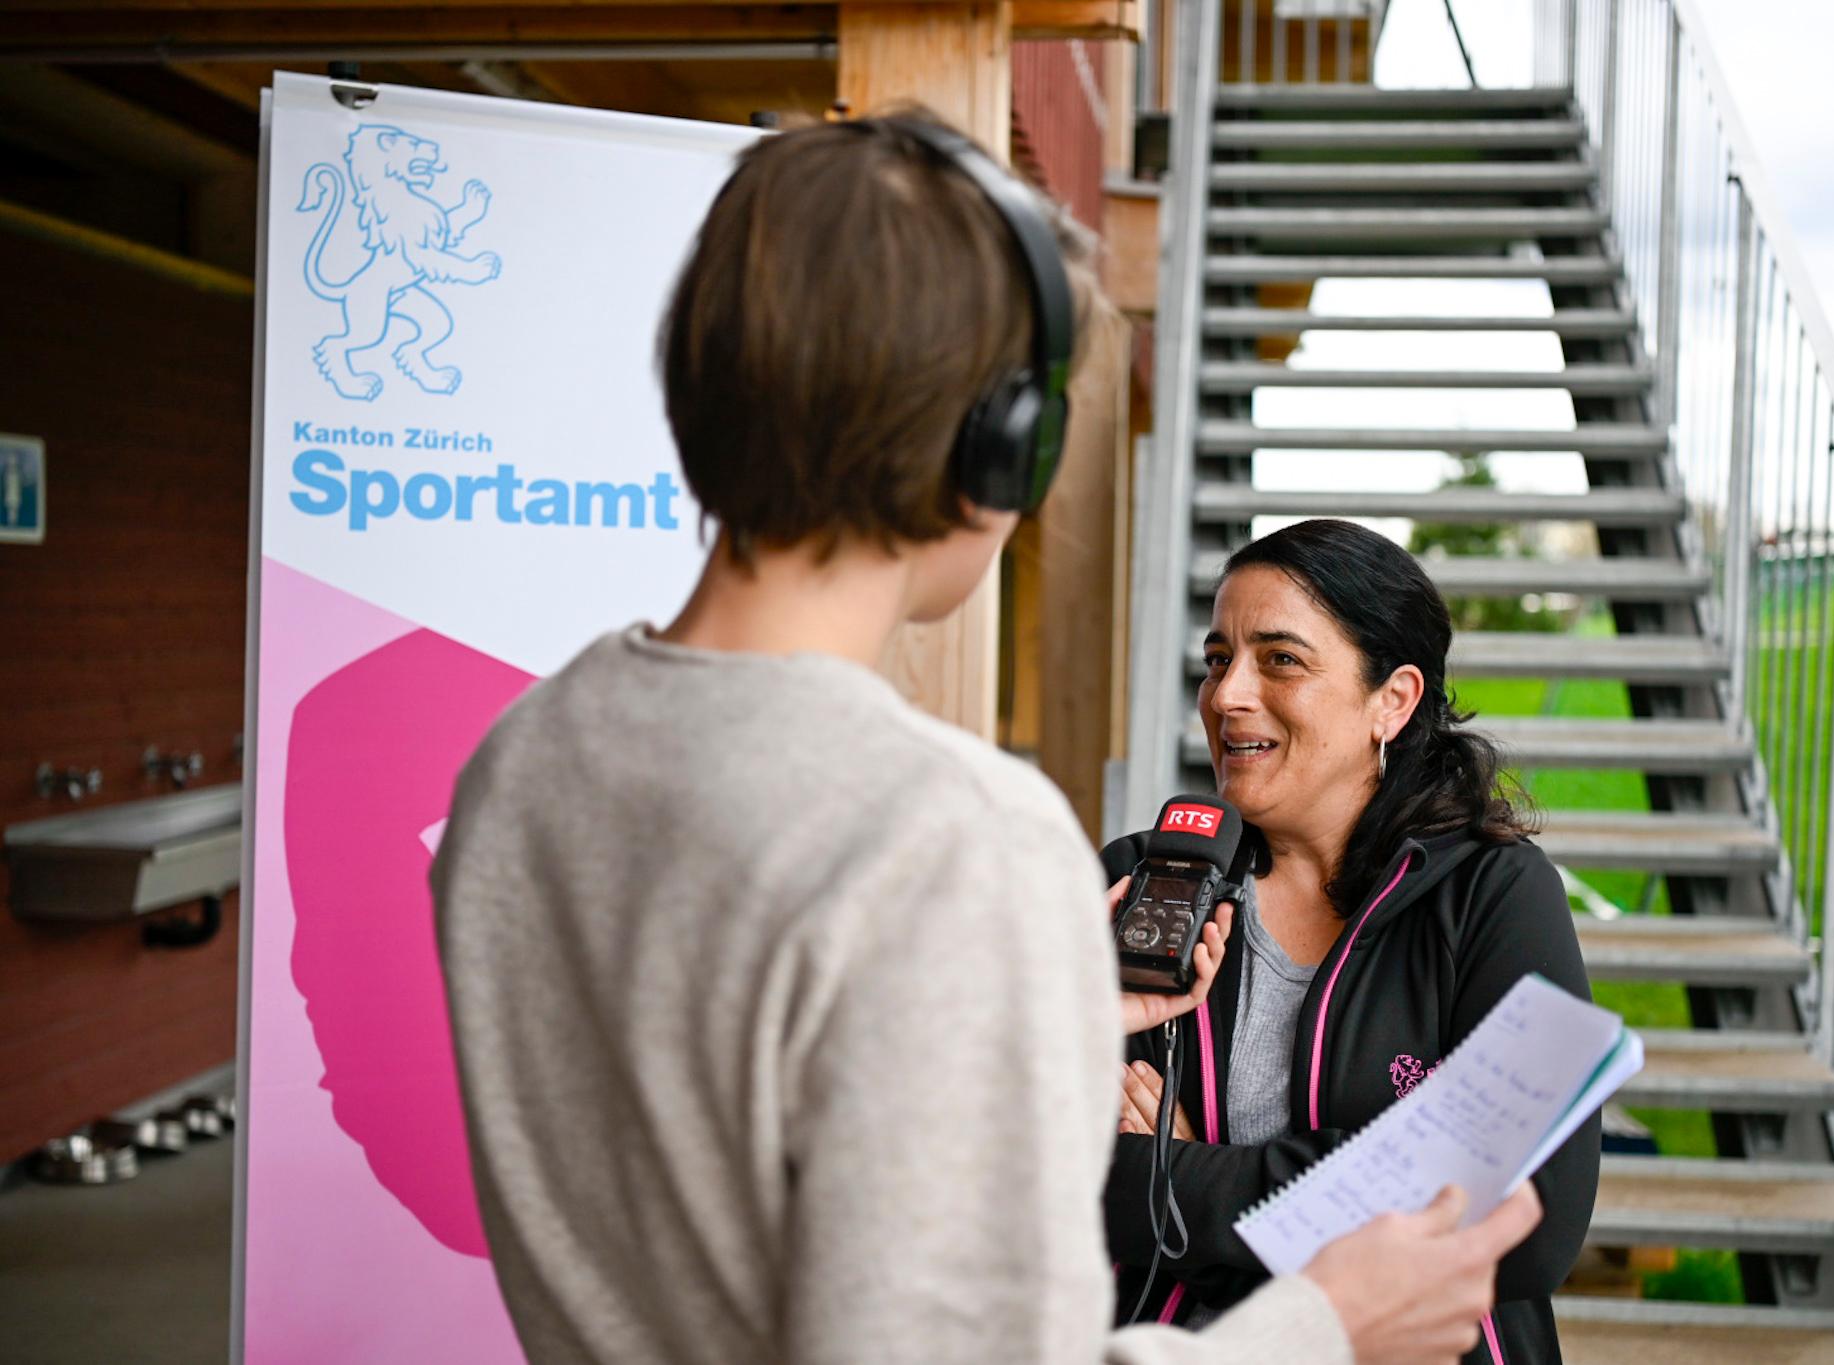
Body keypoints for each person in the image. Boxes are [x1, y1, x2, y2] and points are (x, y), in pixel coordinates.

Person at [432, 112, 1540, 1365]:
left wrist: (1045, 1034)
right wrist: (1324, 1325)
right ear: (1000, 447)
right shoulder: (950, 840)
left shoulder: (519, 760)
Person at [1101, 519, 1599, 1363]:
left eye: (1280, 659)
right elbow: (1058, 1168)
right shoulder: (1147, 885)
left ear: (1393, 700)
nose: (1225, 696)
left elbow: (1530, 1220)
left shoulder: (1495, 895)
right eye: (1219, 658)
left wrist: (1185, 1170)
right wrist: (1388, 1176)